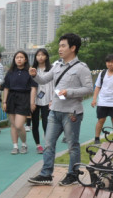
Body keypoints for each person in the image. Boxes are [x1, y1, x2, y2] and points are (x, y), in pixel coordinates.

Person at [28, 33, 93, 186]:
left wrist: (69, 92)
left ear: (73, 48)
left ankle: (73, 174)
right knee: (48, 144)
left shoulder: (81, 68)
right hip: (55, 111)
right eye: (59, 46)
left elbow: (89, 89)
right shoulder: (57, 65)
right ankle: (46, 174)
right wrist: (35, 75)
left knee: (72, 145)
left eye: (63, 46)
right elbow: (44, 80)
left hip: (72, 113)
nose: (60, 49)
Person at [2, 51, 37, 154]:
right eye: (17, 57)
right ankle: (15, 146)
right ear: (14, 59)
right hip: (11, 98)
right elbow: (6, 88)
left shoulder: (29, 71)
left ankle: (24, 144)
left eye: (21, 57)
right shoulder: (10, 72)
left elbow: (33, 88)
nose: (19, 59)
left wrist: (32, 102)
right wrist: (4, 102)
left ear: (25, 59)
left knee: (18, 125)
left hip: (24, 98)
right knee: (13, 125)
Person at [30, 48, 53, 154]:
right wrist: (32, 102)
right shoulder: (32, 70)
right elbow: (31, 87)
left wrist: (52, 99)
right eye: (38, 55)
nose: (40, 57)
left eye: (42, 55)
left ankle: (47, 144)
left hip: (48, 100)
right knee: (35, 123)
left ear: (46, 57)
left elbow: (54, 85)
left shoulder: (52, 69)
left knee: (46, 123)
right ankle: (38, 145)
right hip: (35, 101)